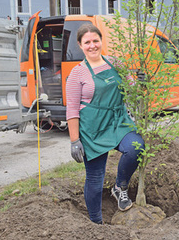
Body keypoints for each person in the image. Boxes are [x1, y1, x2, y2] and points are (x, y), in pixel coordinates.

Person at [66, 23, 144, 224]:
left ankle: (120, 187)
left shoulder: (115, 63)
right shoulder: (77, 74)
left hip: (118, 120)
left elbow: (132, 89)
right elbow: (72, 110)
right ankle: (96, 223)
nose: (92, 45)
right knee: (94, 179)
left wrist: (140, 82)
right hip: (93, 128)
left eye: (95, 41)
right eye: (87, 42)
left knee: (136, 147)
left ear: (101, 41)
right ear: (80, 45)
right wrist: (75, 141)